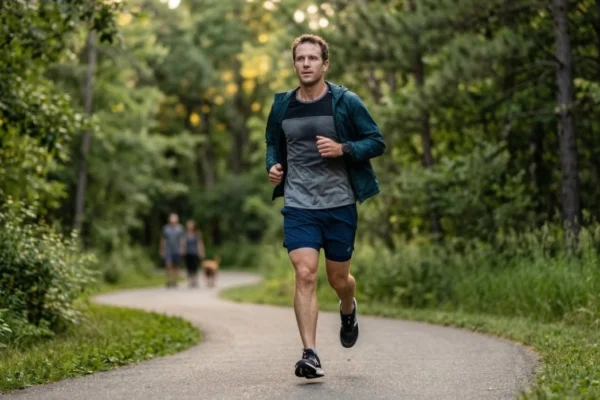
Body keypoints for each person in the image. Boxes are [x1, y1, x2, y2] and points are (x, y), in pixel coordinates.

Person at [264, 34, 386, 379]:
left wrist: (343, 149)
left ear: (324, 64)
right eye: (300, 59)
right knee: (304, 274)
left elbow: (376, 142)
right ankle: (310, 353)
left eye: (312, 58)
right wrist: (273, 166)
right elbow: (273, 142)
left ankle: (348, 307)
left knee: (338, 279)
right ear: (294, 64)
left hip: (339, 204)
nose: (305, 64)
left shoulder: (346, 102)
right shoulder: (282, 105)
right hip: (299, 204)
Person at [160, 213, 184, 288]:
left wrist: (182, 248)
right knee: (168, 265)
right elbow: (163, 240)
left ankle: (175, 281)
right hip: (168, 250)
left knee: (176, 266)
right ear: (169, 219)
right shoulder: (166, 228)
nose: (173, 220)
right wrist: (162, 249)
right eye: (171, 218)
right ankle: (169, 281)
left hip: (177, 250)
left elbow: (182, 239)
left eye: (174, 218)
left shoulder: (180, 228)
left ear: (177, 220)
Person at [180, 219, 205, 288]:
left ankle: (195, 280)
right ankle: (190, 281)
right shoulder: (185, 234)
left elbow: (200, 243)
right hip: (187, 253)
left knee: (195, 267)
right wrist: (182, 250)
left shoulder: (197, 233)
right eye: (188, 224)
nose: (190, 226)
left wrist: (201, 252)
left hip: (195, 252)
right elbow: (183, 243)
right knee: (188, 267)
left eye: (191, 224)